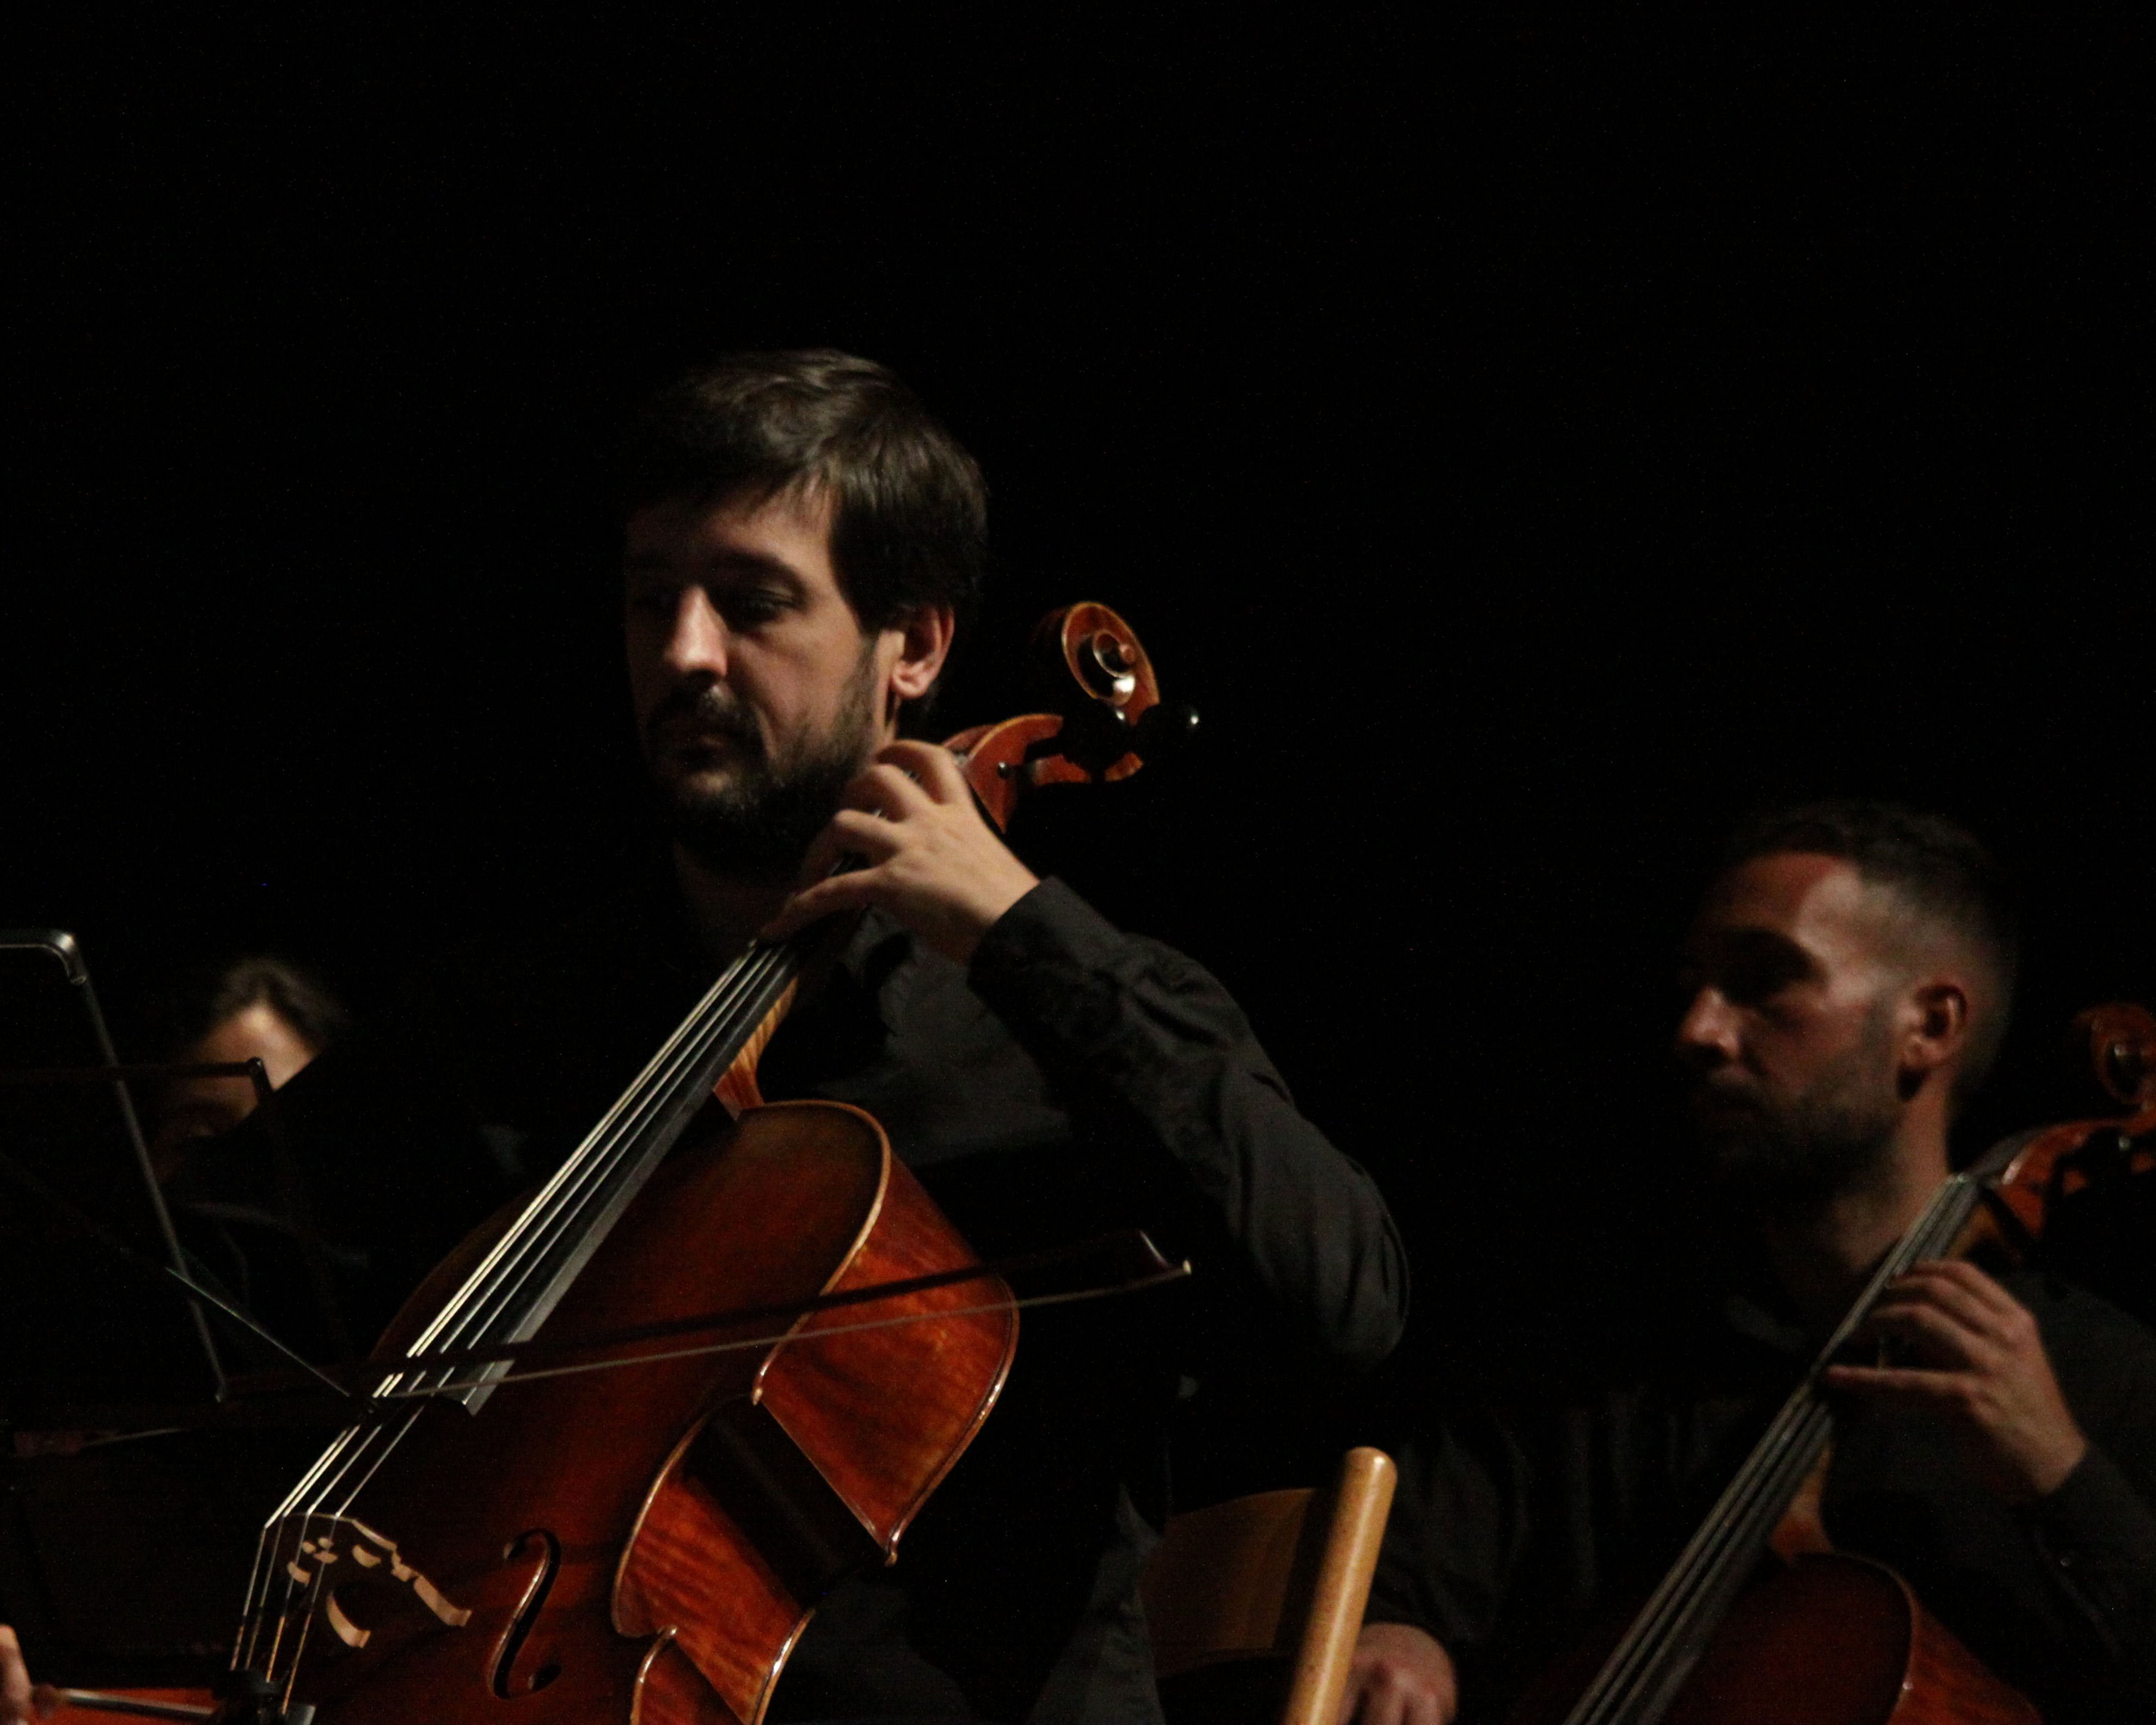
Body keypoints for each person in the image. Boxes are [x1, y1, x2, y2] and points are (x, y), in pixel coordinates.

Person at [580, 349, 1408, 1722]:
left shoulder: (1066, 1012)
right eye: (650, 597)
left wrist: (1025, 936)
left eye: (752, 603)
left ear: (913, 647)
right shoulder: (536, 1017)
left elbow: (1347, 1301)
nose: (683, 653)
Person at [1340, 803, 2156, 1725]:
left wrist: (2059, 1476)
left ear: (1930, 1026)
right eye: (1694, 985)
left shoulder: (2104, 1378)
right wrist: (1395, 1633)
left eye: (1764, 982)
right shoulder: (1598, 1361)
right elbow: (1390, 1572)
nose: (1698, 1029)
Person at [0, 957, 356, 1725]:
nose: (245, 1176)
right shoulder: (83, 1396)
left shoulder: (422, 1384)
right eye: (203, 1139)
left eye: (282, 1138)